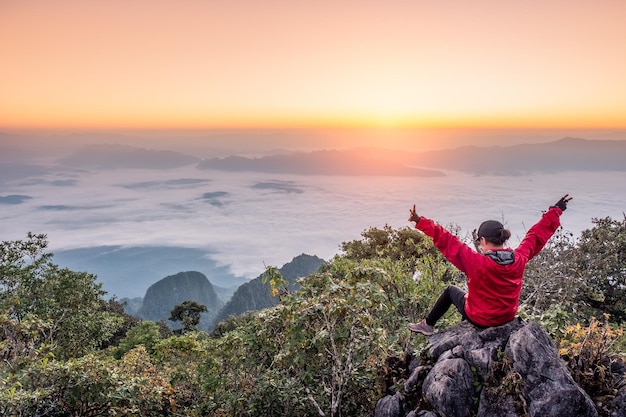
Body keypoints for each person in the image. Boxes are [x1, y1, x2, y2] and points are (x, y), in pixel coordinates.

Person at [407, 194, 573, 336]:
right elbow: (536, 235)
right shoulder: (519, 259)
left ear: (483, 240)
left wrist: (420, 221)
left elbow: (448, 240)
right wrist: (556, 210)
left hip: (480, 319)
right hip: (507, 317)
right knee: (470, 299)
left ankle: (427, 325)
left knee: (451, 290)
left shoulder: (477, 263)